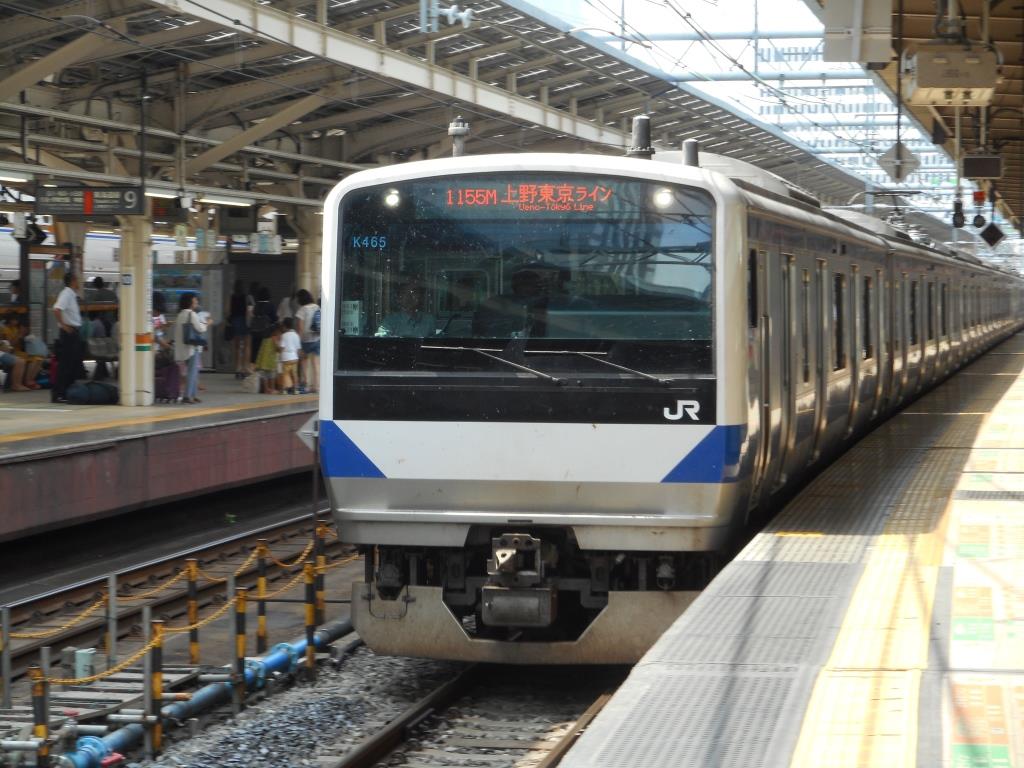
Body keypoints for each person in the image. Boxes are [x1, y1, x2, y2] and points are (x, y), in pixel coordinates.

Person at [52, 271, 84, 403]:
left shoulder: (72, 294)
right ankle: (59, 394)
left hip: (73, 332)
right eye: (77, 280)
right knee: (65, 364)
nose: (79, 283)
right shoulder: (66, 294)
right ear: (73, 281)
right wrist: (64, 325)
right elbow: (57, 309)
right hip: (68, 333)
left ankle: (67, 392)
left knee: (72, 363)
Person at [174, 292, 208, 404]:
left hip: (182, 347)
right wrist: (207, 323)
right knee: (192, 372)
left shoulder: (180, 314)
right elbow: (200, 329)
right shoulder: (191, 314)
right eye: (195, 301)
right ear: (190, 303)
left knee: (192, 372)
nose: (196, 303)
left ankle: (193, 395)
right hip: (191, 347)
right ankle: (187, 396)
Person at [294, 289, 320, 394]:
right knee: (316, 364)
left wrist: (298, 344)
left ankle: (305, 384)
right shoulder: (317, 307)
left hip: (306, 340)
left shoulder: (302, 309)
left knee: (304, 362)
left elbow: (300, 328)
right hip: (316, 338)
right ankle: (316, 386)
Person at [227, 279, 253, 379]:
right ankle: (245, 368)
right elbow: (249, 311)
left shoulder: (232, 297)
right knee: (247, 346)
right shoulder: (247, 297)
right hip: (245, 321)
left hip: (235, 321)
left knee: (237, 347)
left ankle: (237, 369)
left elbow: (228, 311)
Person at [254, 322, 282, 394]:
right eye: (279, 332)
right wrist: (281, 348)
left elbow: (261, 351)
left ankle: (266, 389)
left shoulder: (265, 339)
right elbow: (277, 348)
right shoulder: (274, 338)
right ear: (276, 331)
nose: (280, 334)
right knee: (271, 376)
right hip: (270, 361)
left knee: (264, 376)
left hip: (263, 361)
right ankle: (272, 389)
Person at [277, 317, 301, 394]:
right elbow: (298, 348)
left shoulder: (284, 335)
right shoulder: (296, 335)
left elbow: (282, 347)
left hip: (286, 358)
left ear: (284, 326)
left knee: (285, 374)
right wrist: (297, 357)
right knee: (294, 374)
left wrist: (279, 354)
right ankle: (295, 389)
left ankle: (284, 390)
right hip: (294, 358)